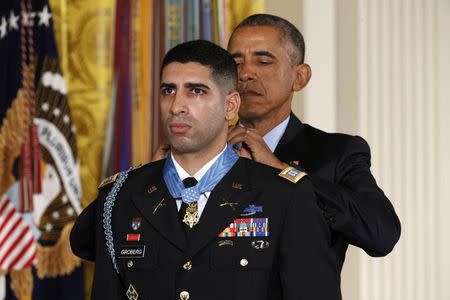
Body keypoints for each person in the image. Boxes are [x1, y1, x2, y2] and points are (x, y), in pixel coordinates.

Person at [70, 40, 340, 300]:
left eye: (196, 91)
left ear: (230, 106)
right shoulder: (121, 194)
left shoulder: (283, 195)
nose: (177, 106)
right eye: (168, 90)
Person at [226, 13, 401, 272]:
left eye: (263, 61)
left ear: (300, 77)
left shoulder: (335, 153)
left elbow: (381, 233)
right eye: (235, 62)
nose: (245, 73)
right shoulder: (204, 150)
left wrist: (282, 170)